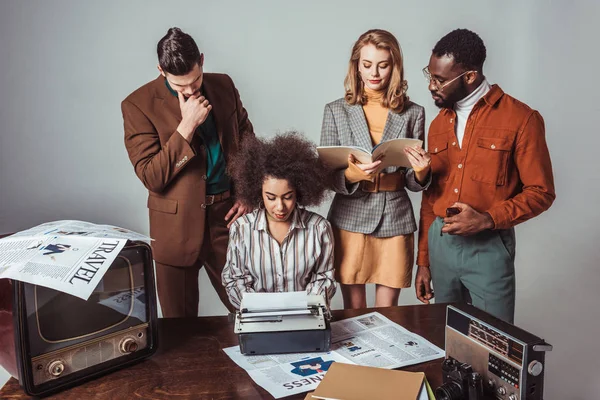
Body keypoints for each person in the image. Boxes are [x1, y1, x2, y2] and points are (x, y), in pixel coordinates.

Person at [416, 29, 555, 323]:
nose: (431, 85)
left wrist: (487, 219)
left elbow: (541, 192)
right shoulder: (438, 124)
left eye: (440, 80)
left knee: (494, 345)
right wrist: (424, 263)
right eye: (429, 75)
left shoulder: (521, 119)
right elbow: (431, 196)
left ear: (469, 76)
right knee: (448, 339)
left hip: (488, 247)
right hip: (441, 244)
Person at [122, 27, 254, 317]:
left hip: (228, 220)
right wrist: (186, 127)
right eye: (180, 86)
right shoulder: (137, 105)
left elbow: (248, 143)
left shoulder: (224, 86)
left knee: (252, 314)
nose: (191, 91)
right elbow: (151, 176)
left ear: (202, 61)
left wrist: (247, 193)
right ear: (161, 70)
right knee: (179, 328)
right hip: (175, 229)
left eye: (195, 81)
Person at [320, 29, 431, 309]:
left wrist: (420, 173)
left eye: (383, 65)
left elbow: (412, 180)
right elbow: (324, 172)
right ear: (356, 65)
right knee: (353, 313)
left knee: (387, 315)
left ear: (394, 66)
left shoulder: (413, 112)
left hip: (395, 214)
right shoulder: (335, 110)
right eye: (367, 64)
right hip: (350, 214)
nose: (375, 73)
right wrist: (351, 176)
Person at [221, 133, 336, 309]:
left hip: (304, 317)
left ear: (299, 191)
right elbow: (235, 280)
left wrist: (303, 308)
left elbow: (324, 277)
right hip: (258, 318)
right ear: (258, 192)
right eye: (271, 197)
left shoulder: (319, 228)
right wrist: (262, 309)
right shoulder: (242, 229)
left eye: (288, 197)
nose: (280, 207)